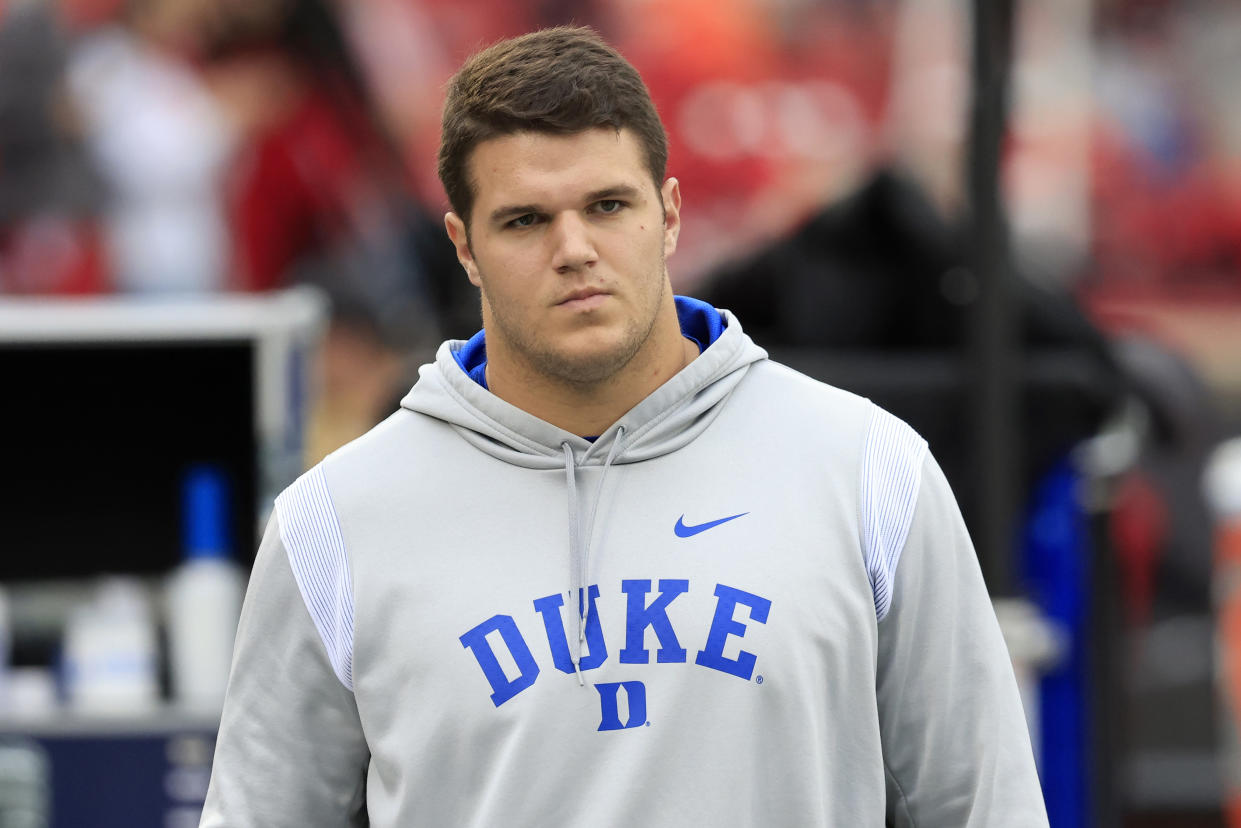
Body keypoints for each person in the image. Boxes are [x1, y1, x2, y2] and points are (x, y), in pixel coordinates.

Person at [200, 26, 1049, 827]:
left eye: (607, 206)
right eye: (525, 220)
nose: (573, 248)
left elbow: (985, 805)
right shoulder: (335, 524)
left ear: (669, 214)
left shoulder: (868, 470)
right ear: (463, 246)